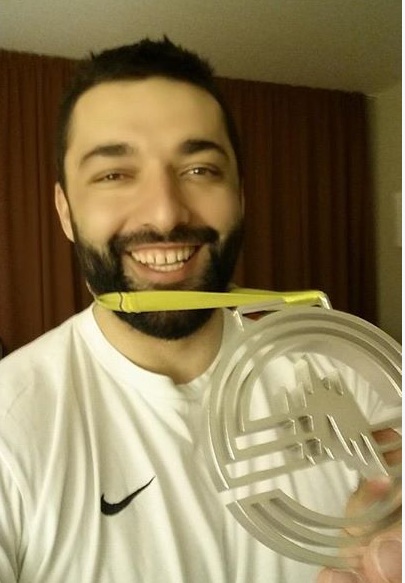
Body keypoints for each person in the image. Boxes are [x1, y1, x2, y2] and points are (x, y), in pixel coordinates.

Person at [0, 37, 400, 583]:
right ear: (65, 211)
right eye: (114, 174)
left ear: (240, 197)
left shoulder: (355, 379)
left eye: (200, 170)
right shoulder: (10, 424)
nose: (166, 213)